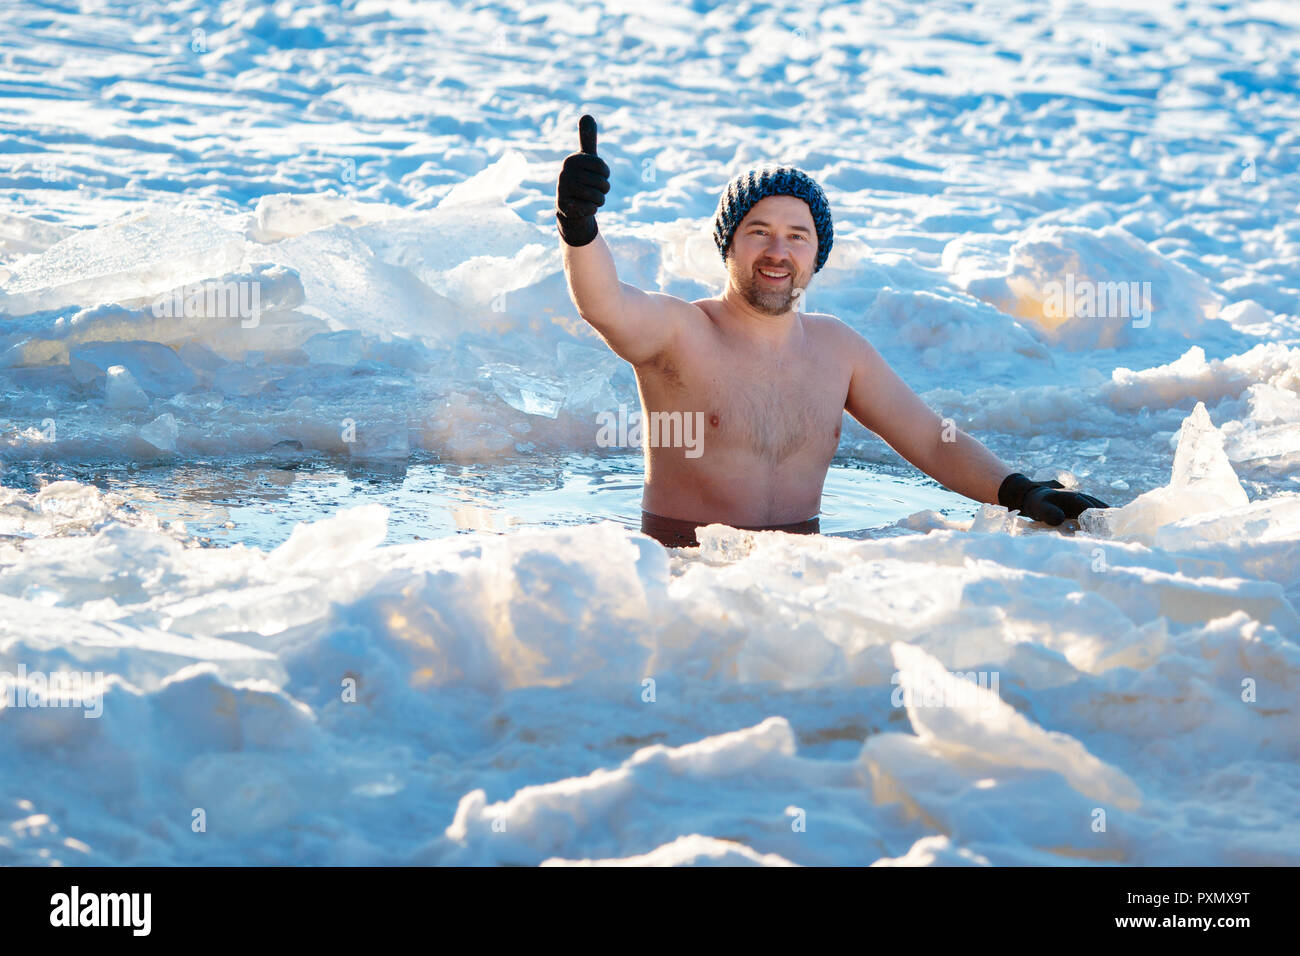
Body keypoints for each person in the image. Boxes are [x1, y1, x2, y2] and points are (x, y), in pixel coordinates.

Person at [557, 115, 1110, 548]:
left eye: (798, 236)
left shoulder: (836, 348)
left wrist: (1021, 491)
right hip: (688, 574)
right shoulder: (682, 331)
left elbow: (928, 438)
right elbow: (605, 304)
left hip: (805, 578)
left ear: (817, 254)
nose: (778, 252)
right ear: (728, 245)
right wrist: (578, 226)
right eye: (759, 232)